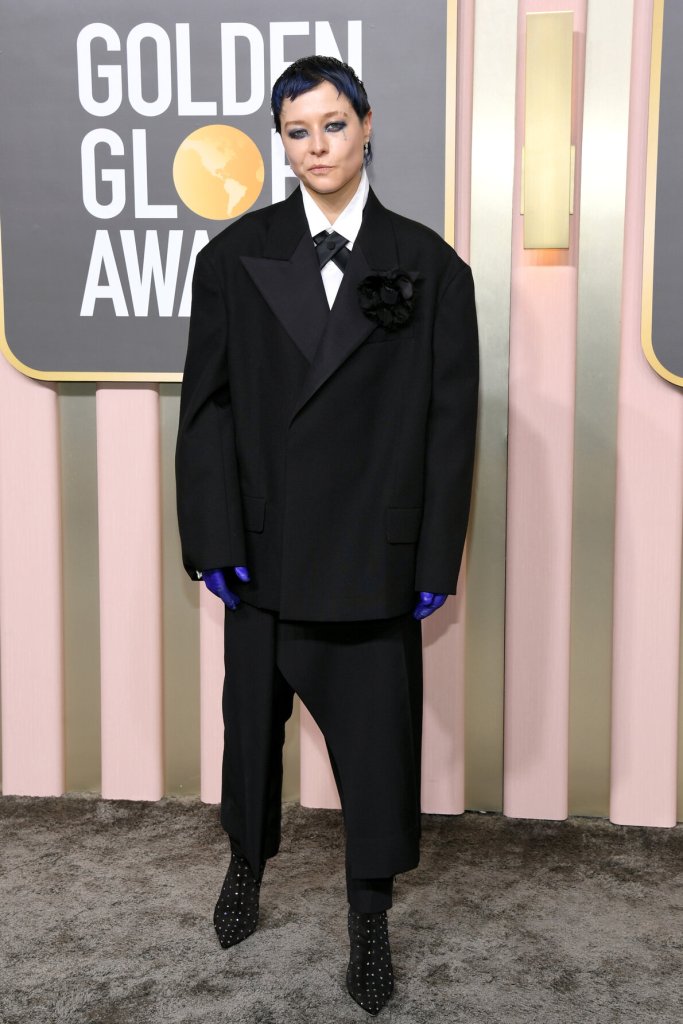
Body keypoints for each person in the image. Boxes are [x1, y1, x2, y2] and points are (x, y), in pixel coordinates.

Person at [175, 55, 479, 1016]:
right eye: (298, 131)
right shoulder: (232, 258)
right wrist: (215, 533)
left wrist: (431, 556)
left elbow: (448, 423)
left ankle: (368, 921)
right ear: (282, 140)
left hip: (368, 560)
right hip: (264, 551)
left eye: (333, 125)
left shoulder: (430, 264)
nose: (317, 147)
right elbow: (208, 411)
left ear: (367, 126)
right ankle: (245, 868)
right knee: (247, 738)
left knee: (375, 750)